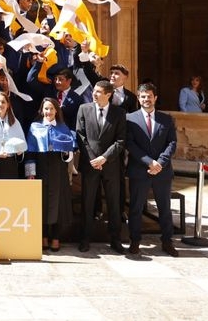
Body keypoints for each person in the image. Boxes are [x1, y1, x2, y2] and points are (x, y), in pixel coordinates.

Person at [126, 83, 179, 257]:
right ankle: (135, 241)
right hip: (140, 170)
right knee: (136, 208)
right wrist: (149, 162)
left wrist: (160, 163)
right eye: (142, 96)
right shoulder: (130, 119)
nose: (146, 99)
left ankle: (167, 241)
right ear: (138, 98)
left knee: (164, 208)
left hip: (162, 172)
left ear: (155, 97)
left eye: (149, 96)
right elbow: (130, 145)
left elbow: (172, 143)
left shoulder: (167, 119)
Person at [75, 80, 127, 254]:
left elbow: (121, 141)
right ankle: (85, 238)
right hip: (90, 165)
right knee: (88, 202)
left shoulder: (119, 113)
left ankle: (116, 239)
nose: (94, 94)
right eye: (94, 91)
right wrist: (93, 158)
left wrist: (104, 158)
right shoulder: (84, 109)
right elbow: (80, 135)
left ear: (108, 94)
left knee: (114, 203)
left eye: (98, 92)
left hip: (111, 166)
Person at [26, 98, 76, 252]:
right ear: (42, 110)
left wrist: (67, 151)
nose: (48, 112)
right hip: (41, 167)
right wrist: (30, 173)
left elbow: (69, 153)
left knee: (57, 204)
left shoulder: (63, 127)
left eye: (51, 109)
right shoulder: (35, 127)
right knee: (41, 203)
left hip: (58, 168)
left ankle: (55, 237)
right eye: (46, 109)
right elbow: (30, 152)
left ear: (56, 111)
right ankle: (43, 236)